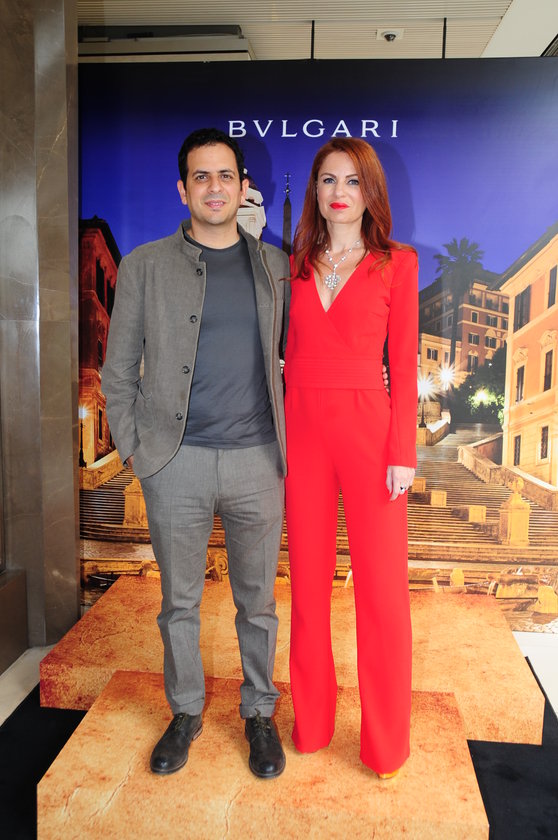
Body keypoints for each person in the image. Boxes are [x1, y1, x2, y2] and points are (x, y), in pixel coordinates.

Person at [102, 128, 289, 779]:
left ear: (244, 187)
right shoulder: (145, 266)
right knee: (178, 602)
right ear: (183, 190)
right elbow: (117, 371)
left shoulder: (276, 267)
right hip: (173, 463)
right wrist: (136, 449)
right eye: (201, 177)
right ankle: (184, 711)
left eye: (225, 175)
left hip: (257, 462)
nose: (214, 187)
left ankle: (259, 712)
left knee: (257, 603)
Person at [284, 137, 418, 778]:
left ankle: (385, 745)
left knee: (383, 594)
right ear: (315, 191)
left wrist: (403, 452)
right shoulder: (293, 266)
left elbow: (405, 366)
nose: (339, 192)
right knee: (307, 589)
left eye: (352, 181)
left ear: (370, 192)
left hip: (372, 436)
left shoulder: (397, 264)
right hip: (302, 436)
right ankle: (310, 725)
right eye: (328, 180)